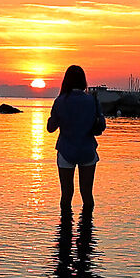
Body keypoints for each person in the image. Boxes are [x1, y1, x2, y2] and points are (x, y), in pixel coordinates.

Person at [44, 64, 104, 214]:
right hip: (87, 151)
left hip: (66, 151)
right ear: (83, 81)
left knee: (66, 195)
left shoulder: (60, 101)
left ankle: (65, 232)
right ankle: (86, 232)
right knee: (87, 195)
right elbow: (100, 128)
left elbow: (51, 128)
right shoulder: (92, 100)